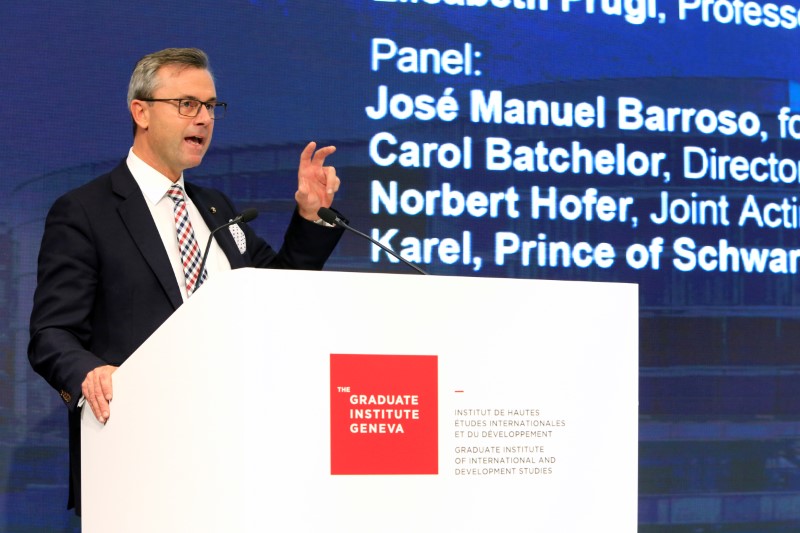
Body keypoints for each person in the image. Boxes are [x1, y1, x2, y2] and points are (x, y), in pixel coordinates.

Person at [27, 47, 344, 515]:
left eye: (211, 107)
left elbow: (273, 293)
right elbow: (52, 333)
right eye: (187, 105)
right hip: (138, 459)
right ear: (141, 112)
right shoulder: (86, 211)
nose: (204, 119)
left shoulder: (215, 208)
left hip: (235, 457)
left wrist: (311, 217)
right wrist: (89, 373)